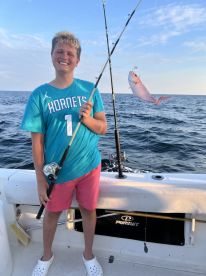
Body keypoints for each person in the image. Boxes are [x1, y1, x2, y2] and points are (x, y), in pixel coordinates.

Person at [21, 31, 107, 276]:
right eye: (59, 51)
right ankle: (46, 256)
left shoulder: (91, 90)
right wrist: (40, 180)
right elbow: (37, 142)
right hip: (58, 173)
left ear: (78, 60)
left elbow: (102, 128)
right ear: (51, 55)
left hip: (89, 167)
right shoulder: (40, 95)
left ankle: (88, 255)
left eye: (70, 53)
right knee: (52, 213)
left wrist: (88, 119)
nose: (65, 56)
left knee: (89, 210)